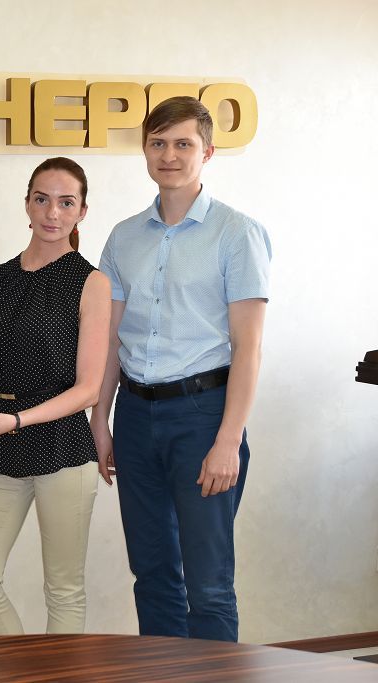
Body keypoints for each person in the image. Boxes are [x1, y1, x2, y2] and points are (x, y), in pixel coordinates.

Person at [92, 96, 271, 642]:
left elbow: (249, 348)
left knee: (208, 583)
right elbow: (110, 341)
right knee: (152, 575)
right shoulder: (123, 237)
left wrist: (228, 441)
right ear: (145, 150)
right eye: (158, 143)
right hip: (135, 416)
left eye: (183, 143)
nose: (168, 155)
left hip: (203, 416)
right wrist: (101, 420)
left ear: (207, 152)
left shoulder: (237, 233)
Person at [0, 158, 111, 635]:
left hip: (63, 446)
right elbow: (5, 365)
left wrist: (19, 419)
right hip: (1, 441)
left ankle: (54, 670)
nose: (52, 213)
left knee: (63, 589)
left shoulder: (92, 283)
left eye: (66, 202)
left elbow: (88, 389)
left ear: (82, 211)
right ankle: (24, 668)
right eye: (42, 199)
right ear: (26, 203)